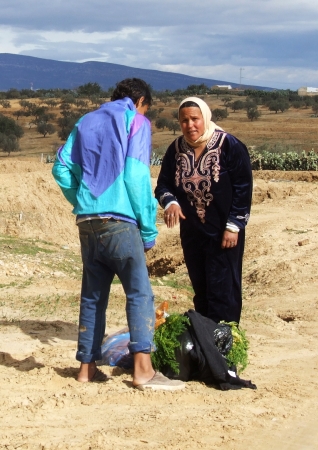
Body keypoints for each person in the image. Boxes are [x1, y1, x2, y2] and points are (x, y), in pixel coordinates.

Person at [52, 78, 184, 391]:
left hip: (87, 222)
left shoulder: (85, 121)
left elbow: (60, 168)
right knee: (139, 292)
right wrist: (149, 229)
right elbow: (136, 176)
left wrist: (84, 200)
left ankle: (86, 369)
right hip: (121, 223)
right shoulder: (136, 121)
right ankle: (143, 370)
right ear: (140, 102)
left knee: (93, 295)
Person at [155, 97, 252, 325]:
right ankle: (206, 342)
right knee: (202, 289)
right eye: (184, 120)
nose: (190, 125)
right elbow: (163, 184)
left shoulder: (229, 145)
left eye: (195, 119)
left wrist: (233, 226)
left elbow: (243, 188)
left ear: (205, 118)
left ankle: (226, 346)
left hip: (223, 234)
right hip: (193, 234)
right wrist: (170, 202)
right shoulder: (176, 150)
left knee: (224, 290)